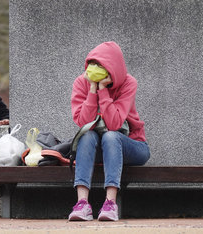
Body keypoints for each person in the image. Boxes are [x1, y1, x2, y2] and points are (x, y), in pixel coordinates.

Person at [69, 41, 150, 221]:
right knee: (87, 135)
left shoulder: (128, 83)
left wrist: (103, 91)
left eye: (101, 65)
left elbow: (114, 124)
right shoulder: (81, 83)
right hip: (97, 148)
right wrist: (92, 90)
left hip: (133, 146)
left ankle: (110, 204)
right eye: (93, 64)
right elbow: (83, 123)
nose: (96, 68)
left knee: (111, 136)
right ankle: (82, 204)